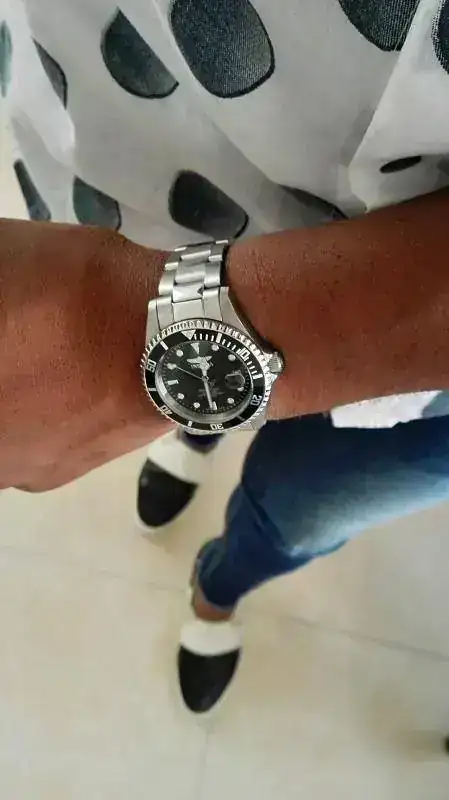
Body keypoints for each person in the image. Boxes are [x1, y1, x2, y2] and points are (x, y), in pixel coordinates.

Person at [2, 0, 449, 714]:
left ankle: (216, 591)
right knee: (187, 368)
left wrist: (122, 342)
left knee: (294, 511)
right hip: (138, 134)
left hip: (423, 377)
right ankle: (191, 427)